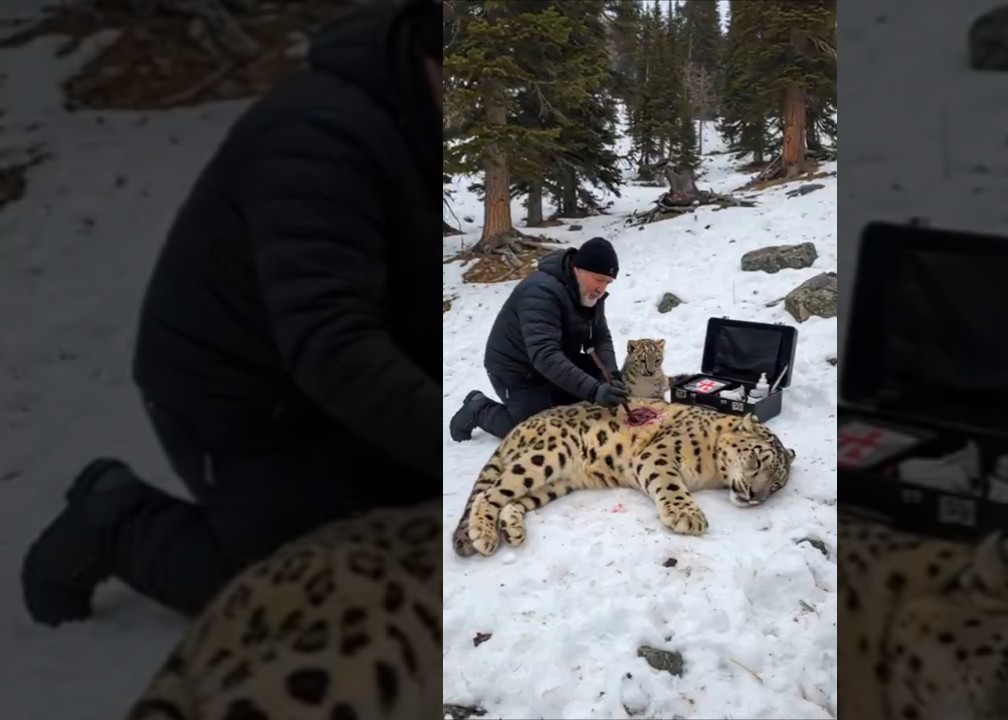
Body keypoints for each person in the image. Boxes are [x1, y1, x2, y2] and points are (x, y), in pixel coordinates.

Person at [21, 0, 443, 626]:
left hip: (321, 391)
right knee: (307, 599)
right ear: (428, 53)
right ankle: (116, 521)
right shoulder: (319, 138)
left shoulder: (417, 116)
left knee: (422, 536)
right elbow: (331, 339)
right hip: (238, 402)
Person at [450, 237, 631, 441]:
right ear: (578, 269)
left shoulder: (588, 293)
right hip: (517, 371)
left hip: (557, 360)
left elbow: (600, 337)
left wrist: (612, 375)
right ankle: (479, 409)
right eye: (599, 280)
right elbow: (545, 354)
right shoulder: (540, 292)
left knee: (599, 398)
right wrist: (594, 390)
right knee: (538, 435)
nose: (602, 289)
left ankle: (561, 399)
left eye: (607, 282)